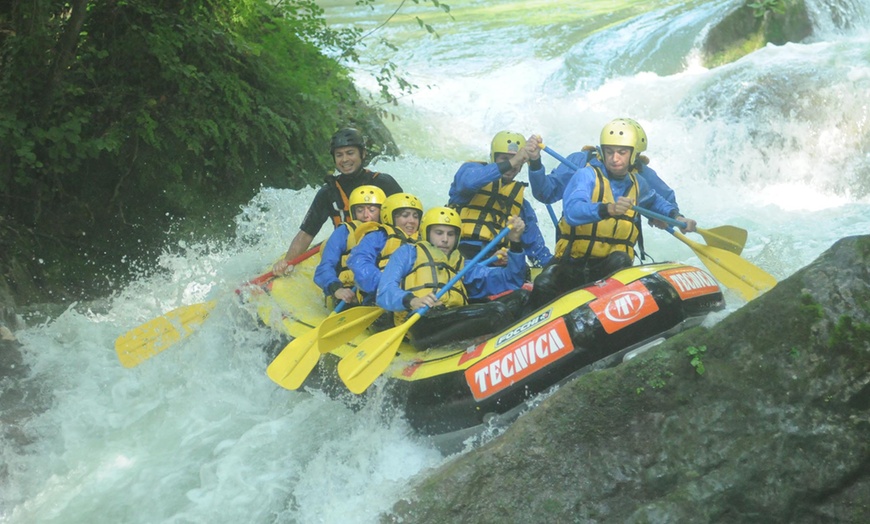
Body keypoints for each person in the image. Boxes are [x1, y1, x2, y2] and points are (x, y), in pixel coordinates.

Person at [529, 119, 698, 309]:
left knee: (621, 259)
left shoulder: (639, 180)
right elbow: (572, 211)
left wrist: (677, 218)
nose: (615, 158)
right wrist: (608, 208)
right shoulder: (585, 174)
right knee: (543, 284)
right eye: (609, 152)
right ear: (602, 152)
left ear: (633, 155)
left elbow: (657, 201)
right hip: (573, 262)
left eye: (622, 152)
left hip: (608, 265)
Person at [376, 206, 530, 350]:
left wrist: (515, 242)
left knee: (522, 298)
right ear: (426, 232)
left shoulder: (462, 265)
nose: (445, 239)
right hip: (422, 323)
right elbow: (384, 291)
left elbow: (511, 279)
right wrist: (413, 300)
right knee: (496, 312)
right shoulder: (409, 253)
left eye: (450, 234)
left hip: (454, 319)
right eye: (439, 233)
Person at [273, 128, 403, 275]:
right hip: (346, 259)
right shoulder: (328, 192)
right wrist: (287, 262)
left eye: (350, 153)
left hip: (384, 253)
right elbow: (306, 233)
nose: (345, 160)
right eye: (339, 155)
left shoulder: (384, 183)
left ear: (363, 154)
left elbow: (406, 217)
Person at [529, 118, 679, 229]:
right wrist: (535, 163)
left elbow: (660, 202)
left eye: (626, 153)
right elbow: (545, 193)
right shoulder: (582, 165)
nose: (617, 159)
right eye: (612, 151)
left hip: (618, 254)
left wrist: (671, 218)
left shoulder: (641, 175)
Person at [447, 131, 552, 268]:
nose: (512, 166)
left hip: (495, 263)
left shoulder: (521, 205)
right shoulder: (470, 174)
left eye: (518, 161)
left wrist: (557, 267)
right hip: (458, 254)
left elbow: (536, 251)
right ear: (493, 159)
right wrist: (513, 160)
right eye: (504, 159)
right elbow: (468, 183)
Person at [313, 185, 386, 307]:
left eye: (372, 210)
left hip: (378, 290)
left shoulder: (388, 233)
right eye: (360, 210)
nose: (366, 215)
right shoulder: (344, 232)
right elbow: (325, 267)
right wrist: (336, 289)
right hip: (347, 292)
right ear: (353, 212)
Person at [347, 192, 424, 305]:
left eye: (415, 216)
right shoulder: (377, 237)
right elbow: (360, 263)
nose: (412, 220)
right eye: (405, 215)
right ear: (389, 216)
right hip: (379, 298)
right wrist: (388, 285)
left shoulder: (423, 241)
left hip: (416, 296)